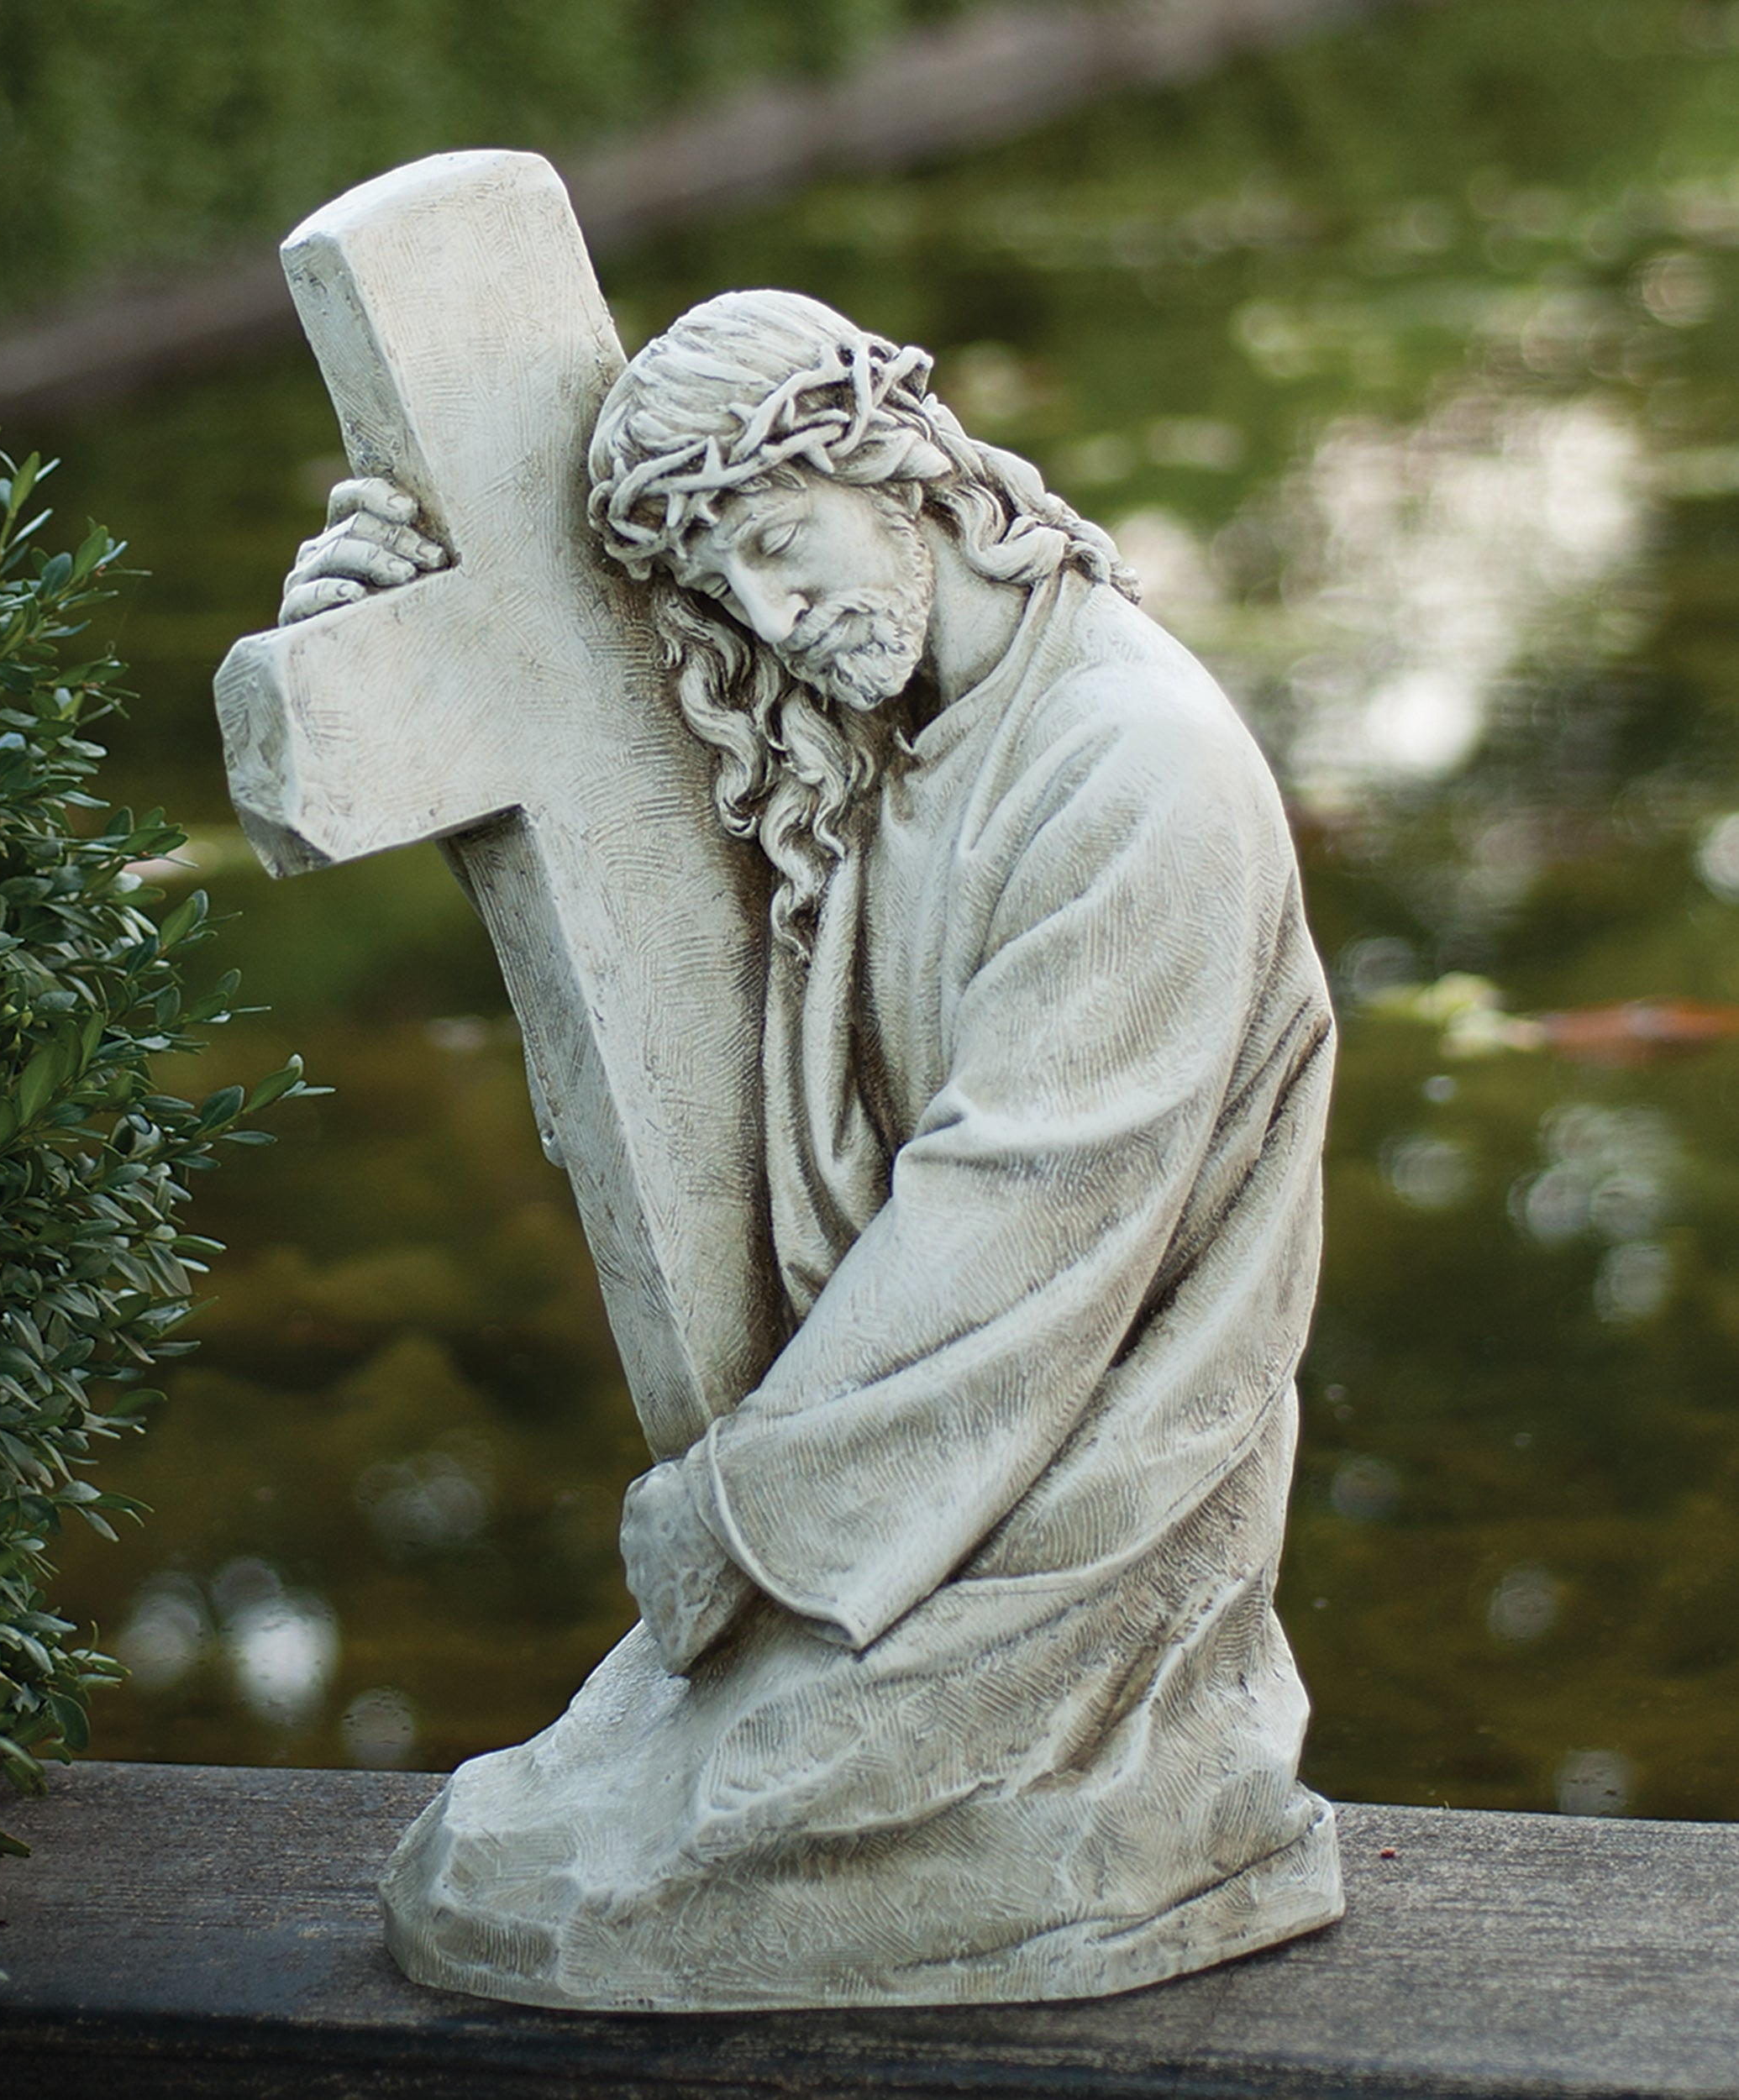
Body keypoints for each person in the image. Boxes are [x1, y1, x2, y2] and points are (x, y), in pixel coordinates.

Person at [279, 290, 1343, 2009]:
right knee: (548, 1835)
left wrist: (745, 1504)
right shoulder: (876, 728)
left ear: (894, 462)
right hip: (899, 1457)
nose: (772, 617)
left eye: (780, 543)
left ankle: (1158, 1814)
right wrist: (377, 661)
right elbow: (603, 794)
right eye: (726, 589)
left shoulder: (1132, 768)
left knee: (682, 1831)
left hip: (1077, 1488)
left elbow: (1021, 1216)